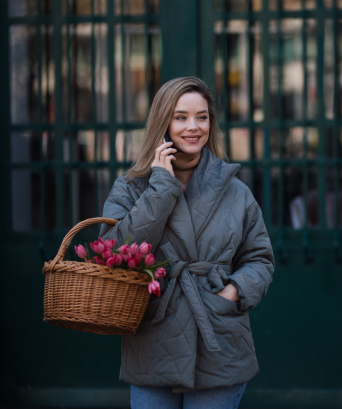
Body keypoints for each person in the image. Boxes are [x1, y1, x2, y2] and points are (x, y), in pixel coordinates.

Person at [99, 77, 275, 409]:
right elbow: (114, 252)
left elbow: (259, 259)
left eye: (202, 116)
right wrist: (161, 189)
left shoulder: (235, 191)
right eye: (180, 117)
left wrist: (233, 292)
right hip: (154, 339)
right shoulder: (130, 188)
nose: (193, 127)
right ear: (162, 122)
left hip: (219, 336)